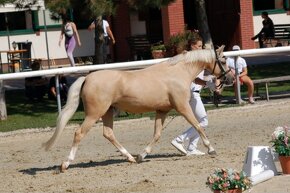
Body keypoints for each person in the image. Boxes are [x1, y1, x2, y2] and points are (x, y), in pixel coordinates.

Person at [171, 34, 216, 156]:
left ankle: (192, 147)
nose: (201, 48)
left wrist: (208, 82)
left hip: (194, 92)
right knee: (204, 121)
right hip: (192, 93)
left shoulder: (196, 58)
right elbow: (195, 79)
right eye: (199, 46)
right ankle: (180, 139)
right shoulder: (190, 58)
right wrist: (207, 83)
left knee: (197, 121)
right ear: (192, 46)